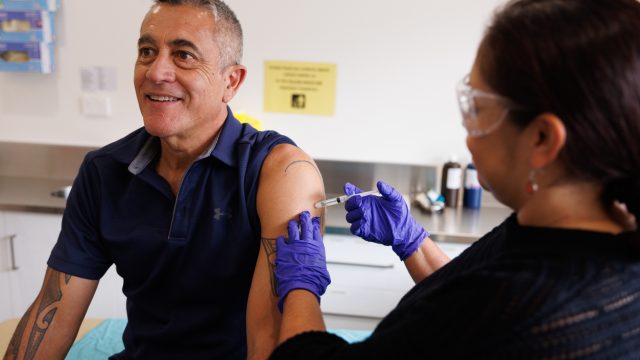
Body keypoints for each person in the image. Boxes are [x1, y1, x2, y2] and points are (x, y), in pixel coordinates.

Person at [270, 0, 640, 358]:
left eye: (477, 109)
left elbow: (472, 314)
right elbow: (466, 290)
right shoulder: (575, 233)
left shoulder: (516, 305)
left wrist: (302, 284)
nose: (467, 133)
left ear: (542, 139)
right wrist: (413, 242)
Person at [3, 1, 324, 359]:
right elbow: (54, 308)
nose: (156, 72)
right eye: (147, 51)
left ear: (230, 81)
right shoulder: (103, 172)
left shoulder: (279, 172)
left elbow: (268, 338)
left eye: (183, 55)